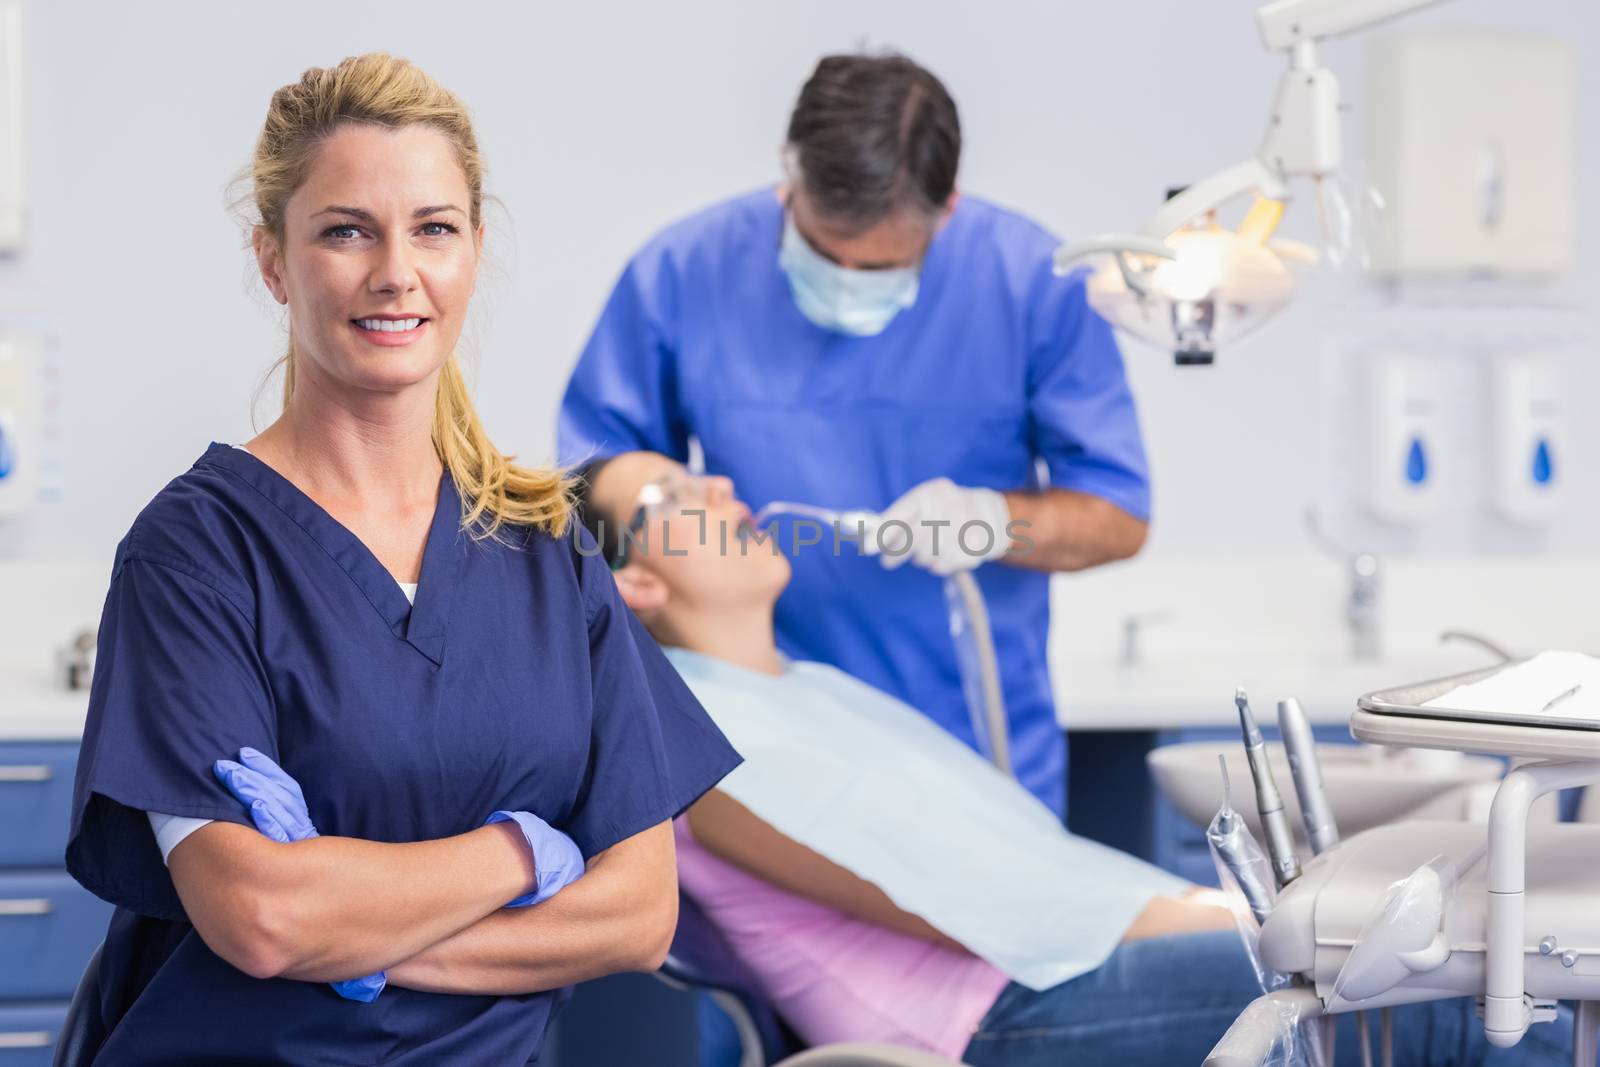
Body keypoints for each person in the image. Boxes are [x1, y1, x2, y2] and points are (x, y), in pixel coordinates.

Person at [64, 54, 739, 1066]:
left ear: (473, 250)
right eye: (346, 230)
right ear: (273, 261)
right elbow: (260, 918)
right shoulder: (195, 553)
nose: (395, 271)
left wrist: (361, 926)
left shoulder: (543, 546)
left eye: (433, 228)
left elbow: (638, 912)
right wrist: (526, 851)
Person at [574, 450, 1576, 1067]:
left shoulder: (806, 689)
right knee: (1458, 1000)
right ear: (633, 583)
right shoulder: (695, 743)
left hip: (1073, 962)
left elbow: (1021, 863)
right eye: (670, 491)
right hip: (1003, 1012)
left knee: (1497, 964)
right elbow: (961, 897)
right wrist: (1235, 915)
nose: (717, 486)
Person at [558, 51, 1151, 817]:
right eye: (822, 248)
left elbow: (1118, 513)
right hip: (766, 750)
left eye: (879, 266)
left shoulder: (1030, 282)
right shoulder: (683, 274)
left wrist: (997, 521)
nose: (843, 279)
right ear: (790, 174)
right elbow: (596, 510)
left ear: (949, 210)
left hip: (973, 741)